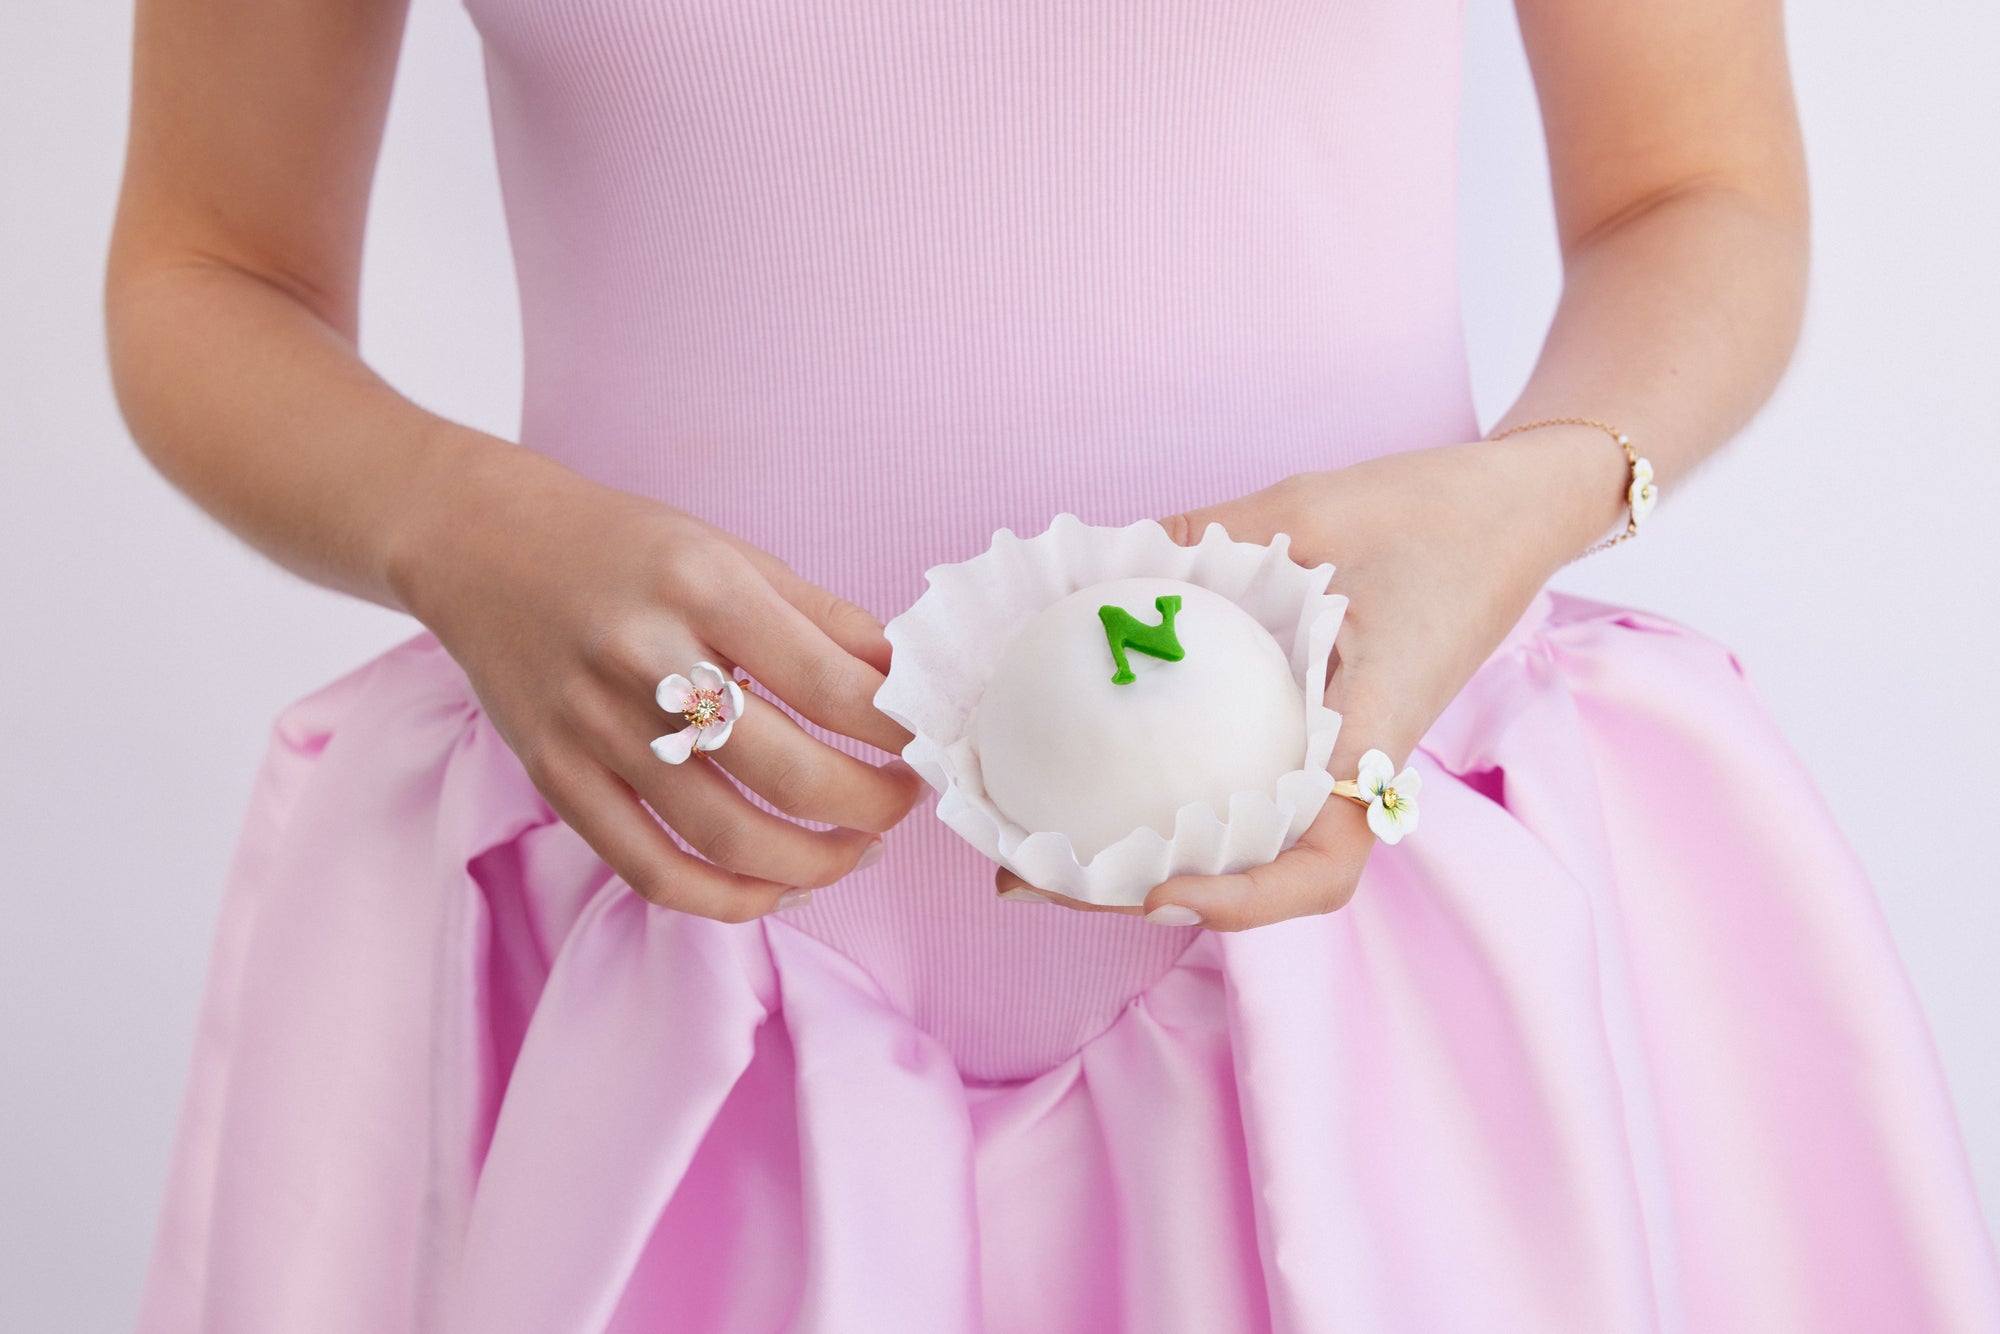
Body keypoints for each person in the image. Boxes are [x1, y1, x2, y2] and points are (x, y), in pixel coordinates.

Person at [108, 0, 2000, 1329]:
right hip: (650, 982)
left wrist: (1522, 501)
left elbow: (1697, 190)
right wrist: (455, 525)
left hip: (1377, 964)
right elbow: (210, 267)